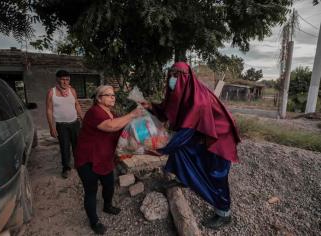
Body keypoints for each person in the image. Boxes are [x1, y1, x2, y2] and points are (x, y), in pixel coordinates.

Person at [141, 61, 241, 229]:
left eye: (176, 76)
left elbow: (185, 133)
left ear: (186, 78)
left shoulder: (199, 100)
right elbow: (167, 110)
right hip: (201, 132)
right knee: (183, 152)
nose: (172, 79)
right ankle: (184, 179)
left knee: (217, 174)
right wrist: (151, 106)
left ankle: (224, 213)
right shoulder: (178, 92)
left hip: (219, 138)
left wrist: (161, 149)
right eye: (171, 75)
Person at [74, 85, 143, 235]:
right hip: (88, 160)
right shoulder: (94, 113)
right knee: (91, 191)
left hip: (104, 158)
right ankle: (94, 221)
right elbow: (111, 127)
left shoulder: (111, 113)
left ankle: (107, 206)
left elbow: (119, 132)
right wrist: (132, 115)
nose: (113, 97)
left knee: (109, 185)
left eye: (113, 95)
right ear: (99, 98)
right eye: (109, 95)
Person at [46, 69, 84, 178]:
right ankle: (66, 168)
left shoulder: (72, 91)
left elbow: (77, 105)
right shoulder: (51, 92)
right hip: (61, 125)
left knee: (77, 146)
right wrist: (51, 127)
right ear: (58, 79)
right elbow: (49, 110)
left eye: (67, 79)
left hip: (74, 123)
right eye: (63, 79)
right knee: (64, 147)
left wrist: (83, 119)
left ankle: (79, 164)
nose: (65, 82)